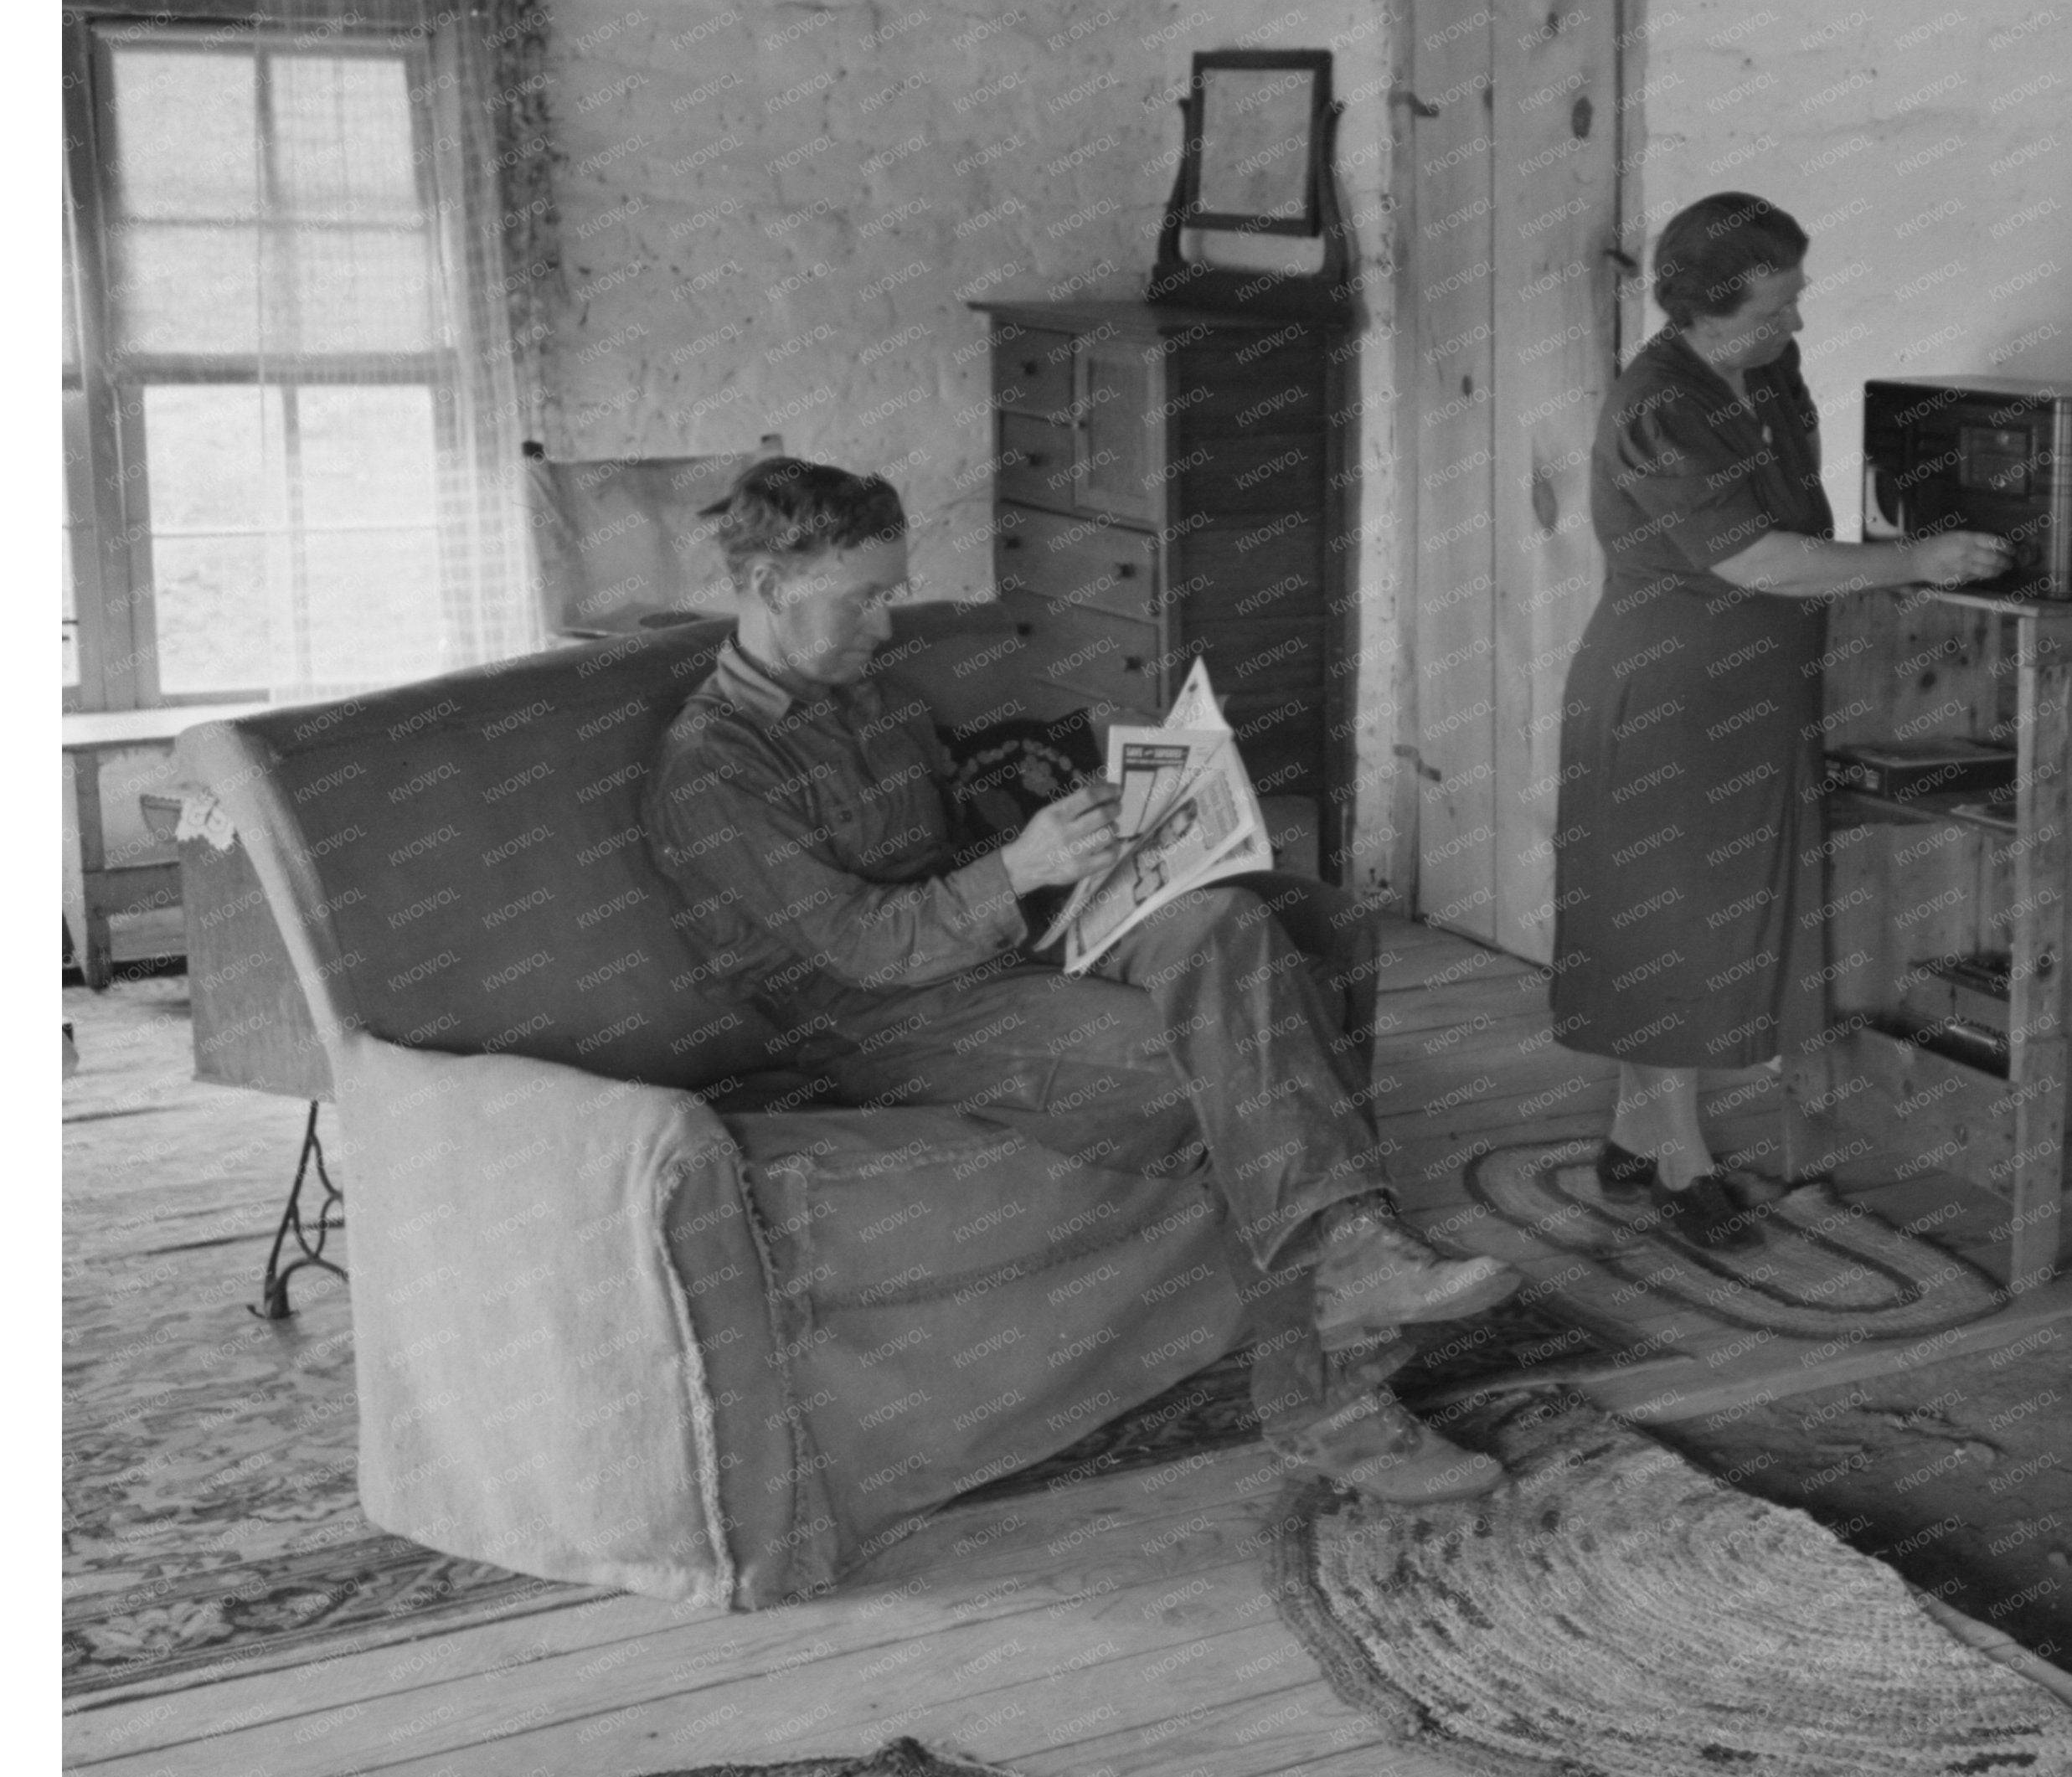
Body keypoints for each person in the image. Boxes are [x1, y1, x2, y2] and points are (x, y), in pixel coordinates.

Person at [643, 457, 1518, 1504]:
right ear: (770, 582)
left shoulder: (864, 694)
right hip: (879, 1017)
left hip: (994, 947)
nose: (887, 623)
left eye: (892, 591)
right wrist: (1020, 868)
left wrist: (1086, 817)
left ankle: (1354, 1248)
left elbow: (955, 827)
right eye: (863, 597)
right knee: (1237, 1067)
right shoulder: (712, 768)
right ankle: (1334, 1399)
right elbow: (864, 945)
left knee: (1231, 925)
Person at [1550, 194, 2011, 1247]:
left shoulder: (1761, 371)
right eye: (1774, 307)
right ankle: (1678, 1159)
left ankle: (1632, 1137)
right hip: (1667, 693)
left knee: (1710, 922)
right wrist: (1912, 562)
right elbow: (1757, 557)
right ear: (1704, 313)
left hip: (1752, 688)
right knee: (1666, 928)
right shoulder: (1655, 406)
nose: (1795, 324)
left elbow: (1798, 512)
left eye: (1795, 300)